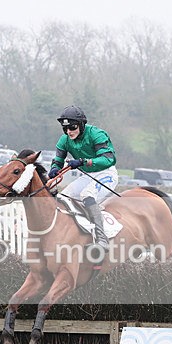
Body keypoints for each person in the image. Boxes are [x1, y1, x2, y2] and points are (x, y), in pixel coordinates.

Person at [47, 105, 118, 258]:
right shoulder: (64, 140)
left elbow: (108, 159)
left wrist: (83, 162)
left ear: (81, 124)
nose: (68, 132)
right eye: (65, 128)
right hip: (88, 176)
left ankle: (102, 239)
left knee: (87, 194)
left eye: (72, 127)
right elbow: (58, 160)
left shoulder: (96, 134)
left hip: (106, 173)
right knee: (63, 198)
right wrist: (54, 169)